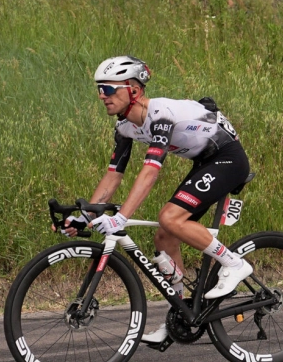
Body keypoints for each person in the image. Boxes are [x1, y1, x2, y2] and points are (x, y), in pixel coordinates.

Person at [65, 56, 254, 345]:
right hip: (204, 161)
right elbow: (113, 176)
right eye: (99, 89)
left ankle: (234, 264)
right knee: (165, 236)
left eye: (108, 89)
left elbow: (151, 171)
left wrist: (122, 217)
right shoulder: (125, 127)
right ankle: (180, 315)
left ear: (134, 90)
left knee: (170, 217)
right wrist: (86, 216)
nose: (102, 96)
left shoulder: (161, 115)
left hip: (227, 157)